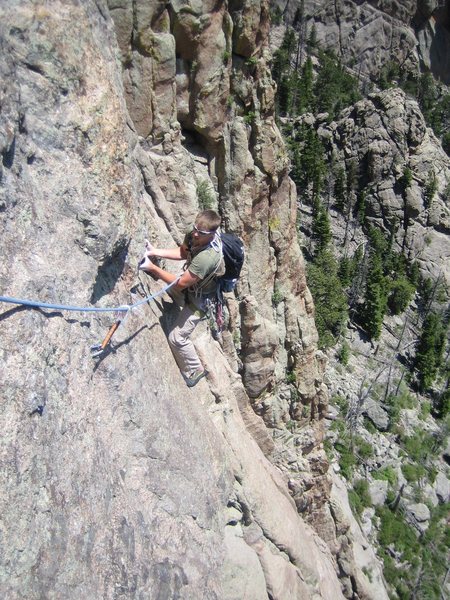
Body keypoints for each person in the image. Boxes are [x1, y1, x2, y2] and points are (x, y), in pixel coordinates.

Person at [140, 210, 224, 387]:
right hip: (192, 288)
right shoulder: (195, 235)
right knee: (175, 289)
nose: (195, 234)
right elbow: (183, 252)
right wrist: (155, 252)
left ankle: (195, 370)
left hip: (201, 301)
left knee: (177, 338)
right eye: (195, 228)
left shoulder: (207, 258)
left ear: (212, 234)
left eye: (201, 233)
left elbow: (180, 284)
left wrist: (152, 268)